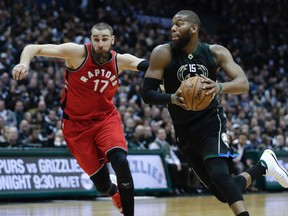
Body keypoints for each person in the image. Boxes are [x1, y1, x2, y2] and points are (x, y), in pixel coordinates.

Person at [141, 10, 288, 216]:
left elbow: (243, 83)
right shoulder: (162, 53)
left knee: (220, 175)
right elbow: (146, 93)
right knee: (222, 191)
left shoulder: (215, 52)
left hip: (211, 121)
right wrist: (172, 98)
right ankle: (263, 165)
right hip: (183, 129)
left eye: (179, 23)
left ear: (194, 28)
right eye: (172, 24)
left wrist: (219, 87)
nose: (173, 28)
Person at [12, 22, 149, 216]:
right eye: (96, 39)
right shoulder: (77, 53)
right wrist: (24, 63)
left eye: (104, 39)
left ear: (112, 40)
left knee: (121, 161)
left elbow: (146, 65)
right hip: (75, 127)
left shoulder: (120, 60)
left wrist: (164, 75)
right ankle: (113, 191)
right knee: (101, 185)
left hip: (105, 119)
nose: (100, 43)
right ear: (91, 39)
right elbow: (33, 48)